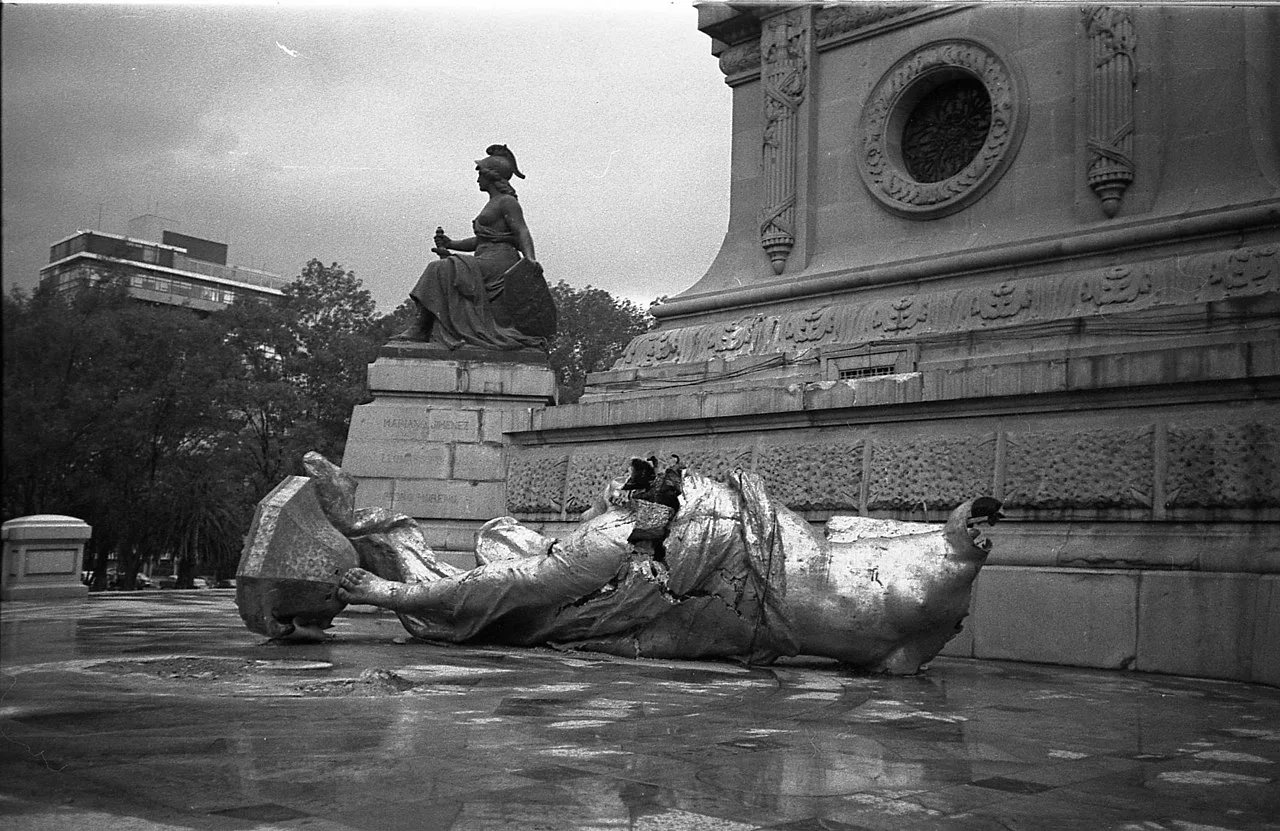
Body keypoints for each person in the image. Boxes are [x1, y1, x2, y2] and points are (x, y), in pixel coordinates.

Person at [394, 145, 551, 349]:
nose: (477, 180)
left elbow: (522, 231)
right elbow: (482, 240)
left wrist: (530, 259)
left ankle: (421, 328)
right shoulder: (493, 203)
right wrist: (451, 245)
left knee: (438, 269)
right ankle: (423, 327)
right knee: (443, 269)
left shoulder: (507, 202)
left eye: (480, 175)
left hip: (499, 263)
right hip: (485, 259)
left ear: (490, 176)